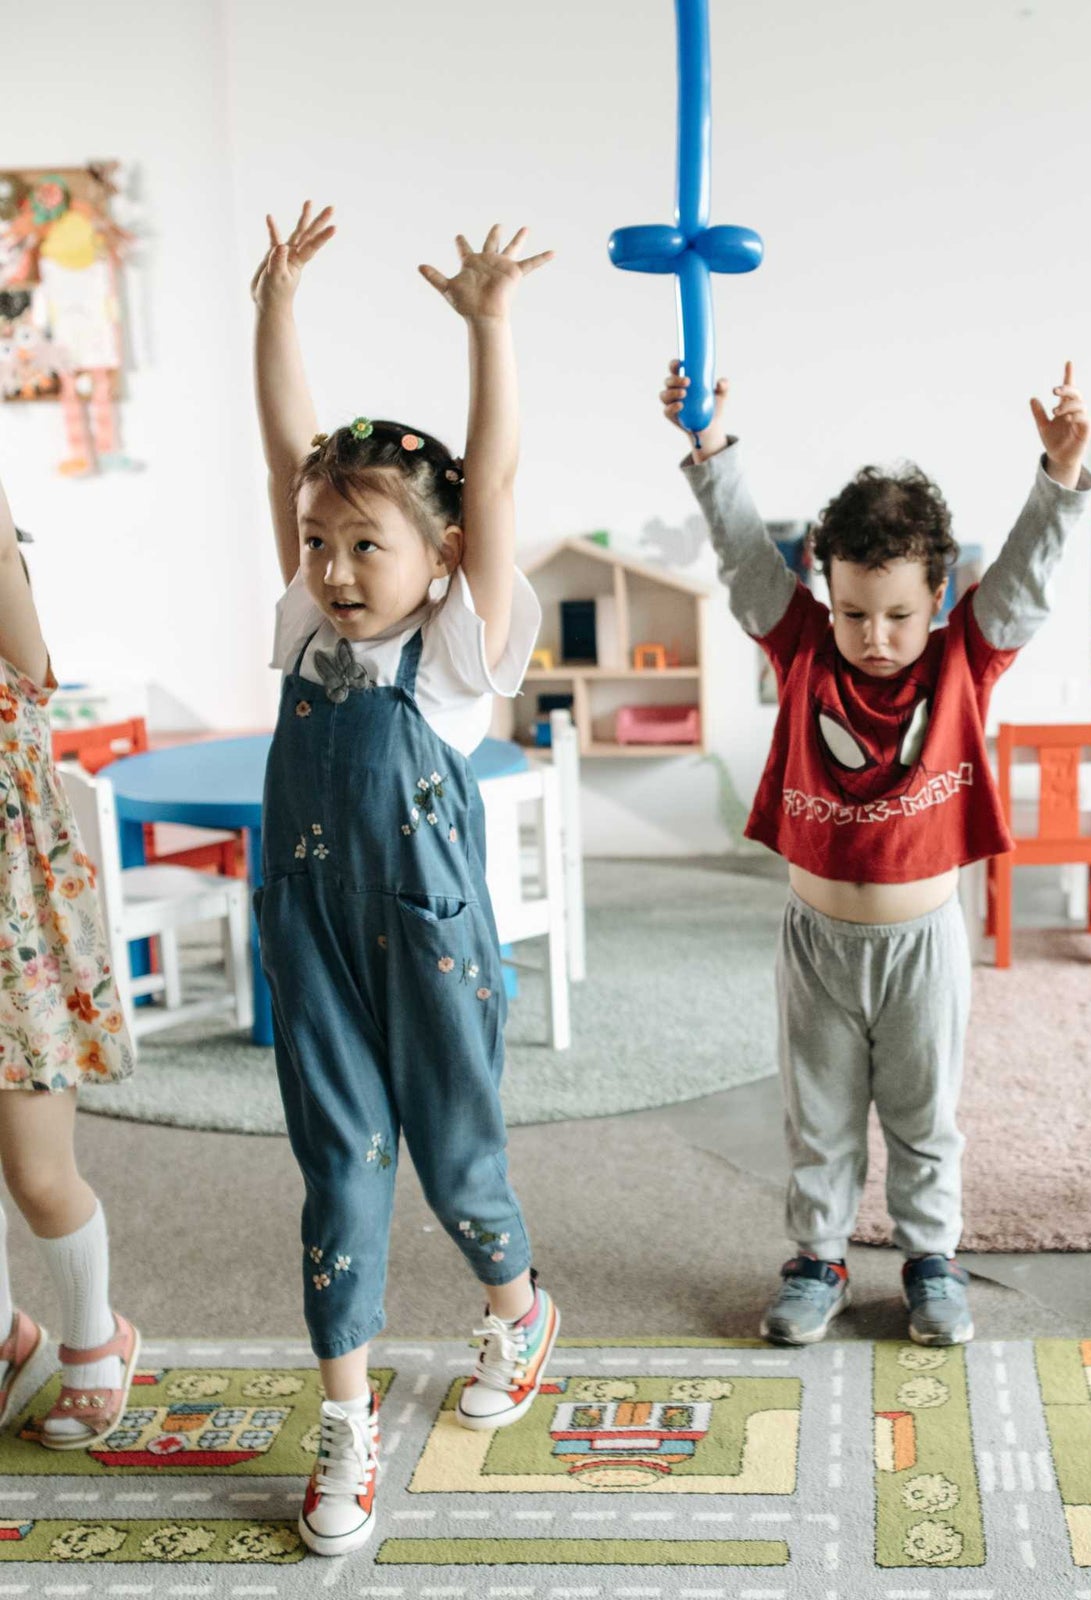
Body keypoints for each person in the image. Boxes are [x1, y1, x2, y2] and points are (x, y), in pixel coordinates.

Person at [661, 356, 1091, 1346]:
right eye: (854, 610)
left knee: (922, 1118)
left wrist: (1060, 477)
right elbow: (741, 559)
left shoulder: (962, 657)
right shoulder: (802, 643)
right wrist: (709, 450)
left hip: (923, 943)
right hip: (817, 938)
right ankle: (815, 1257)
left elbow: (1024, 586)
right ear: (826, 590)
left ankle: (930, 1259)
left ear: (939, 596)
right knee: (816, 1120)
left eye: (899, 612)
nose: (875, 635)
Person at [251, 202, 557, 1556]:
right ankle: (348, 1422)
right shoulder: (306, 631)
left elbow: (486, 487)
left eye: (367, 546)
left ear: (436, 567)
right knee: (343, 1171)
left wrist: (490, 329)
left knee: (459, 1162)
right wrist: (276, 308)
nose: (333, 568)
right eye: (322, 545)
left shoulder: (445, 665)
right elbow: (287, 459)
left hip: (429, 947)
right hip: (313, 941)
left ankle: (515, 1309)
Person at [0, 472, 138, 1449]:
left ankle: (97, 1335)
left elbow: (25, 651)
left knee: (37, 1174)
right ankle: (10, 1338)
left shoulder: (14, 661)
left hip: (14, 952)